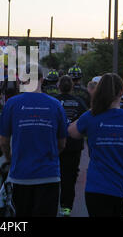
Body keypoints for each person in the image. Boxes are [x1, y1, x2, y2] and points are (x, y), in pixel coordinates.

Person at [68, 73, 123, 217]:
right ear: (121, 92)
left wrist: (91, 112)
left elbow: (71, 132)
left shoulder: (91, 116)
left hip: (96, 188)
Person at [0, 67, 68, 217]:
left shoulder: (12, 104)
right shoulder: (56, 105)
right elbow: (62, 143)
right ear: (42, 79)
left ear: (22, 80)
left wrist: (10, 159)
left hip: (21, 175)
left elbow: (3, 141)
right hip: (49, 175)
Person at [55, 75, 87, 217]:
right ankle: (66, 207)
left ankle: (52, 203)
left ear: (59, 86)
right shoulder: (79, 103)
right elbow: (86, 122)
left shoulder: (53, 102)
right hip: (74, 146)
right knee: (70, 176)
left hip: (55, 145)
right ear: (72, 87)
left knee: (54, 175)